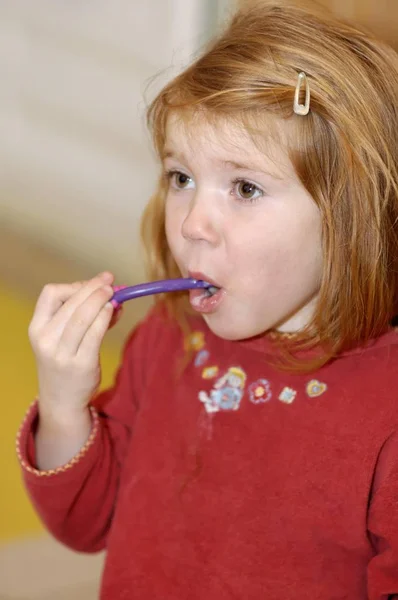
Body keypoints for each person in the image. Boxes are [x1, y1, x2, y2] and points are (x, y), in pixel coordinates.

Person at [16, 1, 398, 598]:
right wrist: (65, 405)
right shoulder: (168, 338)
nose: (193, 222)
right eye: (180, 178)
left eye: (245, 187)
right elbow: (85, 522)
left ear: (349, 218)